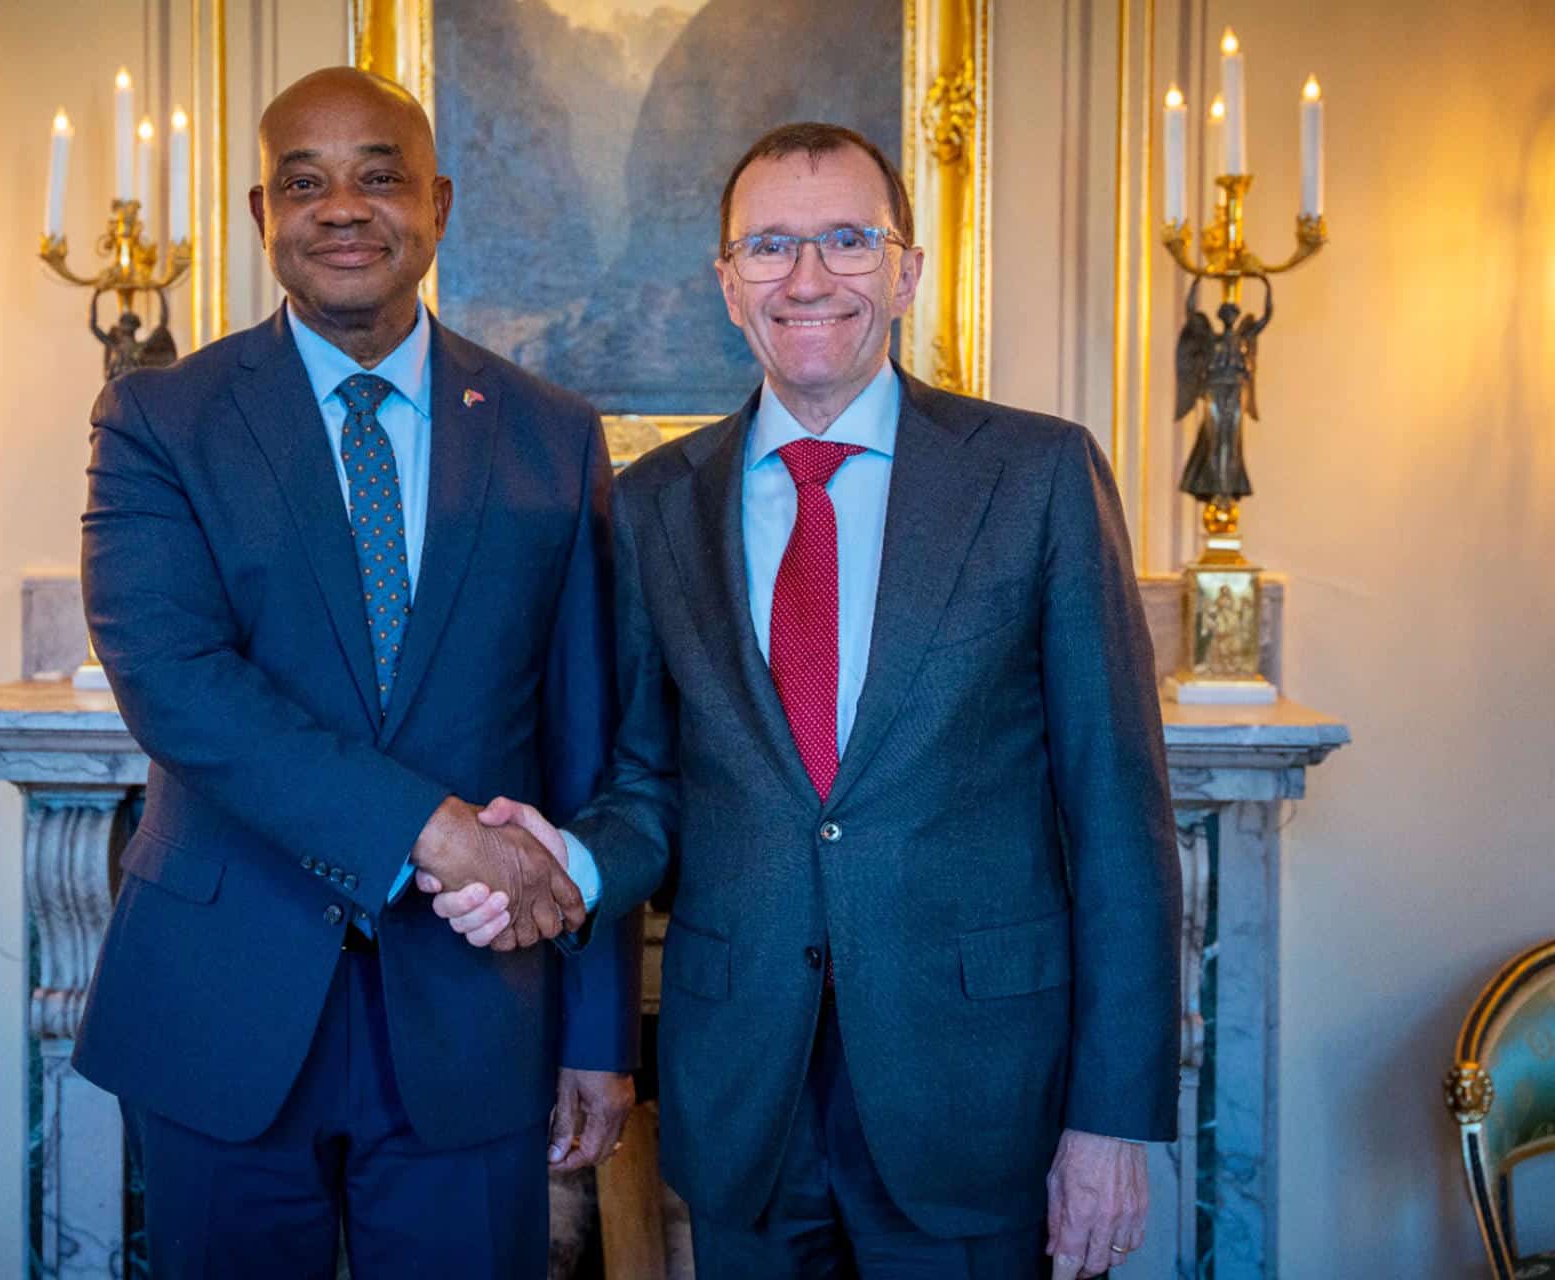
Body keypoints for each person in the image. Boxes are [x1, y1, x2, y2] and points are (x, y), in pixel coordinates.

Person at [431, 122, 1180, 1279]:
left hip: (979, 1092)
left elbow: (1118, 815)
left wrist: (1113, 1117)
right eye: (771, 246)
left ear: (907, 269)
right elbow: (647, 783)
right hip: (746, 1098)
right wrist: (567, 864)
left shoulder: (1035, 476)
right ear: (729, 285)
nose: (810, 276)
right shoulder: (655, 503)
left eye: (846, 238)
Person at [74, 66, 641, 1278]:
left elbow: (587, 744)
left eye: (378, 176)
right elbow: (179, 686)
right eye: (304, 182)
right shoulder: (158, 418)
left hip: (477, 1017)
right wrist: (431, 830)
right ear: (257, 214)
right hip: (220, 999)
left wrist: (597, 1027)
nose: (343, 207)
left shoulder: (551, 430)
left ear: (436, 203)